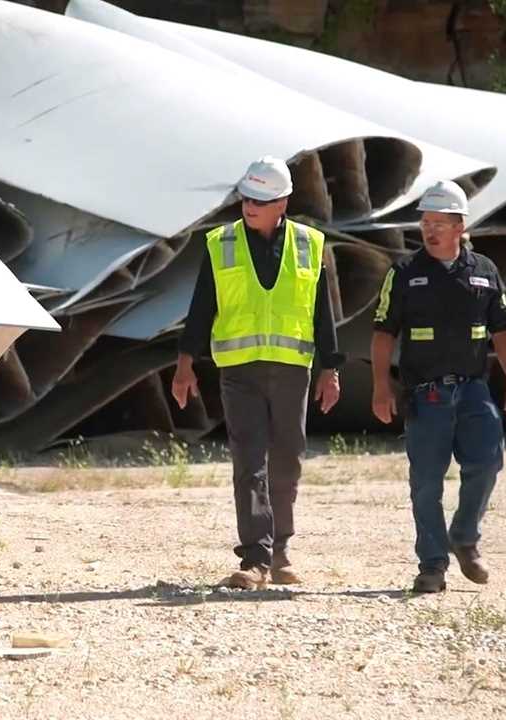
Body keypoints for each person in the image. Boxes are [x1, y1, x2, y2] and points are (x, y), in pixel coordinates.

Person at [173, 156, 343, 590]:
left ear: (282, 202)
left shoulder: (310, 244)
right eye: (246, 197)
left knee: (287, 459)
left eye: (261, 200)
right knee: (249, 462)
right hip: (239, 371)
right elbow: (201, 306)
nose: (250, 206)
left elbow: (324, 312)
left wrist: (331, 369)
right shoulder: (220, 243)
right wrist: (185, 363)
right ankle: (254, 559)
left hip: (291, 370)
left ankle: (280, 550)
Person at [370, 179, 506, 593]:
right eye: (425, 222)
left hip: (474, 389)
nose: (430, 229)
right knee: (426, 482)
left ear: (460, 226)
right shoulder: (404, 273)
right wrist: (381, 387)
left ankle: (465, 537)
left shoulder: (485, 272)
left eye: (439, 222)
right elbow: (383, 333)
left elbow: (504, 329)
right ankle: (432, 566)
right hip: (426, 393)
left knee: (487, 463)